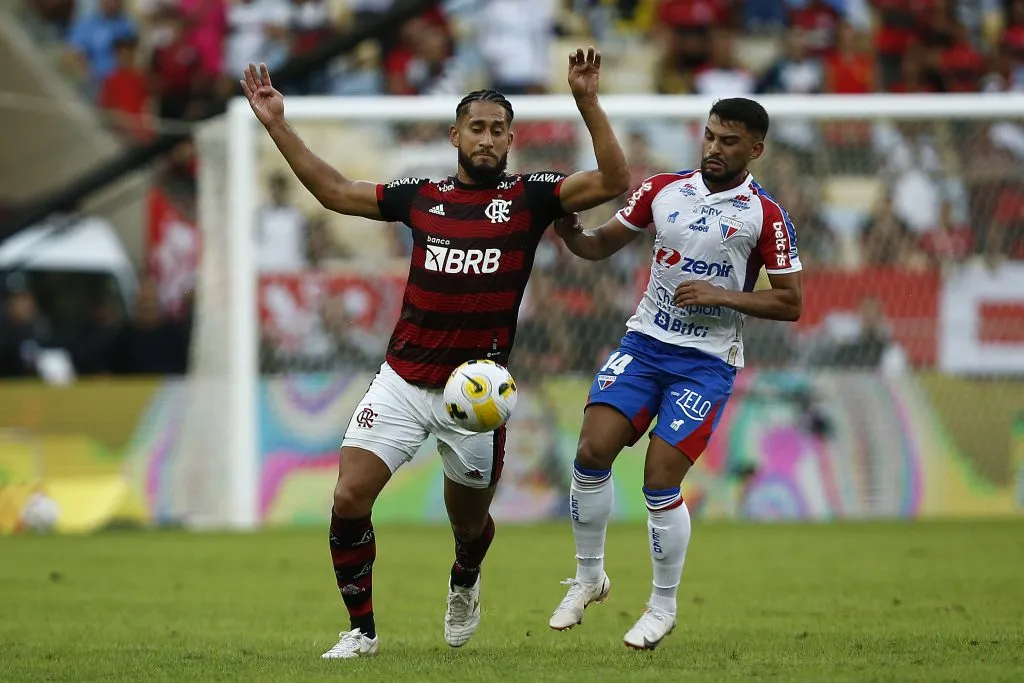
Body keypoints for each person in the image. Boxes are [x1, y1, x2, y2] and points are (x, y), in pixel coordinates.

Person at [240, 48, 630, 660]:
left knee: (468, 525)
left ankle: (464, 583)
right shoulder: (421, 196)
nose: (488, 139)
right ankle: (361, 630)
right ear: (454, 135)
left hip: (473, 395)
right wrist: (276, 123)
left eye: (499, 130)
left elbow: (613, 182)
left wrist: (586, 102)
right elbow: (337, 192)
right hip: (401, 377)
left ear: (510, 140)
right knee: (348, 498)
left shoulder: (531, 197)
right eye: (476, 128)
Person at [546, 98, 802, 650]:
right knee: (591, 453)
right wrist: (569, 233)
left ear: (755, 149)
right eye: (710, 136)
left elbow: (791, 302)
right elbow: (598, 246)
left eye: (729, 141)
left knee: (660, 479)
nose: (714, 147)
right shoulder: (663, 188)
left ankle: (662, 606)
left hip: (705, 362)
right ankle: (589, 577)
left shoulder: (766, 215)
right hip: (644, 344)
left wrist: (722, 295)